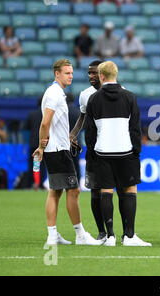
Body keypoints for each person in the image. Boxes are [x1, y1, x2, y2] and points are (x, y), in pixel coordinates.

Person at [32, 59, 100, 246]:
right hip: (58, 150)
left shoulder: (56, 93)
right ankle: (80, 234)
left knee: (56, 191)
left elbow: (51, 124)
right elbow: (45, 122)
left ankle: (53, 235)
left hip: (58, 148)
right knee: (74, 190)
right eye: (67, 73)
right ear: (57, 74)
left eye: (71, 73)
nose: (71, 76)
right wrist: (41, 146)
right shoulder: (54, 94)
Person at [85, 61, 151, 247]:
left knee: (106, 191)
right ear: (116, 74)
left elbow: (89, 131)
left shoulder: (94, 99)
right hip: (126, 152)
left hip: (102, 152)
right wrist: (136, 151)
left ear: (101, 76)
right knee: (129, 190)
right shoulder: (130, 97)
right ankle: (129, 236)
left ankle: (110, 236)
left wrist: (92, 151)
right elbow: (135, 128)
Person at [69, 60, 107, 243]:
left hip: (114, 148)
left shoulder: (117, 90)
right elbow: (83, 117)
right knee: (95, 190)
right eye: (89, 73)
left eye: (94, 73)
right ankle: (102, 231)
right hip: (93, 149)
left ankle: (126, 232)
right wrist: (73, 134)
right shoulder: (85, 95)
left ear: (102, 73)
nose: (91, 76)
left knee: (122, 191)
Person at [24, 96, 47, 189]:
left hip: (33, 143)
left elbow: (26, 127)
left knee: (32, 164)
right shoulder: (46, 115)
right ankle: (40, 183)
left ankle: (32, 183)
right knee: (43, 164)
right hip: (43, 143)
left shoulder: (31, 114)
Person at [66, 93, 81, 184]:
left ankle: (67, 182)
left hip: (64, 140)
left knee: (66, 162)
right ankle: (77, 181)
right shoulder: (77, 111)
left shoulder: (64, 110)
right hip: (75, 140)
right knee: (76, 162)